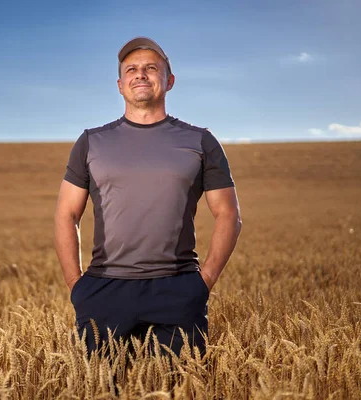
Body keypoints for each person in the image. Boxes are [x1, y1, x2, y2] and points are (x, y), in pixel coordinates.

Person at [53, 37, 242, 356]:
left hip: (177, 288)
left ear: (169, 81)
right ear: (120, 84)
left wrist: (203, 281)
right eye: (132, 69)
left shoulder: (200, 141)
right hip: (104, 289)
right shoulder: (91, 143)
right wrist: (78, 286)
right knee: (99, 389)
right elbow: (66, 214)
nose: (141, 74)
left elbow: (228, 214)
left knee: (180, 389)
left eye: (151, 68)